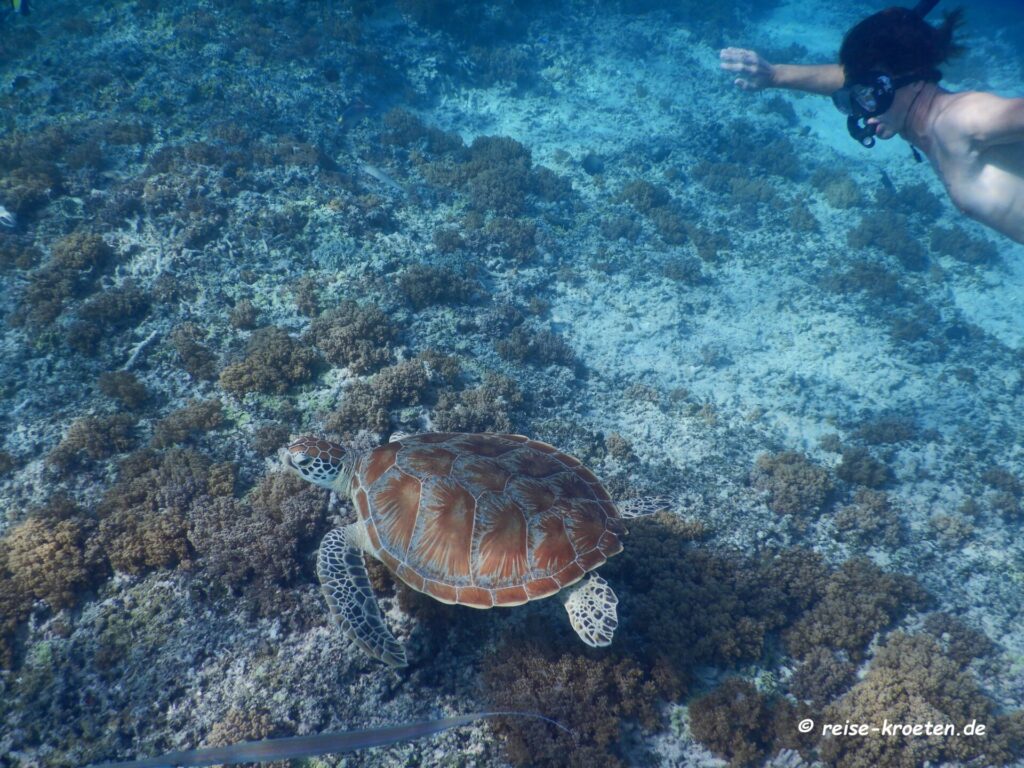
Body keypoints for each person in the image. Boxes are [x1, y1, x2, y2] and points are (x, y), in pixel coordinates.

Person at [720, 2, 1024, 245]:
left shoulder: (962, 119)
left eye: (870, 95)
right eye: (857, 95)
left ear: (915, 80)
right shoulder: (918, 113)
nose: (864, 110)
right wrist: (776, 75)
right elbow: (850, 78)